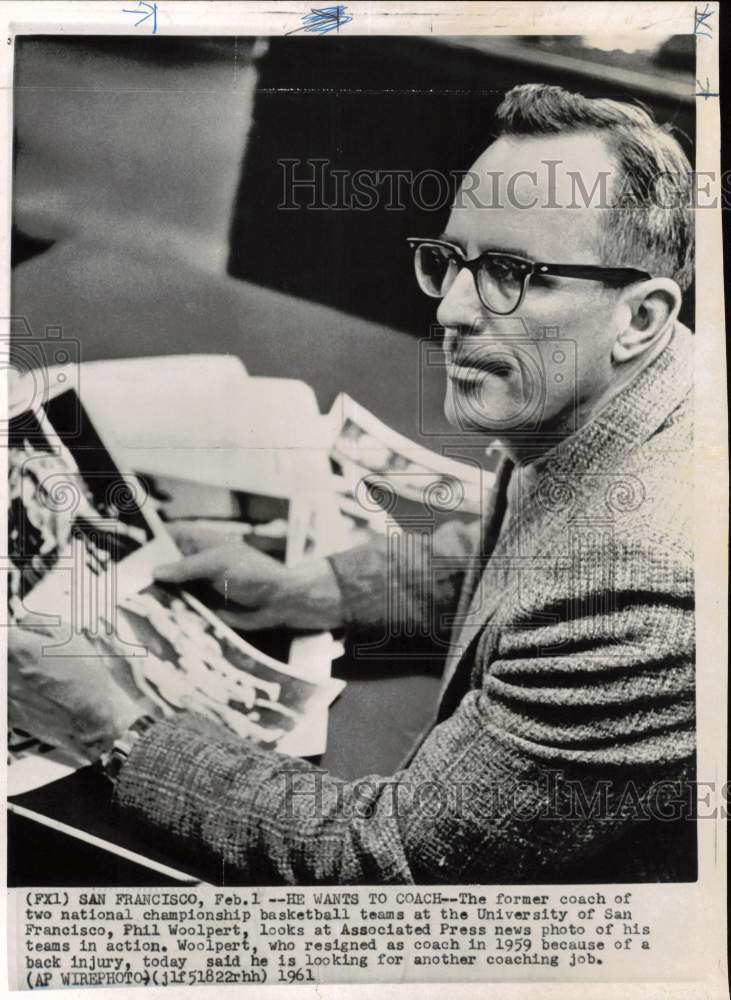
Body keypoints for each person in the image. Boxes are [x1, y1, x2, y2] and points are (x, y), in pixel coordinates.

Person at [8, 84, 696, 883]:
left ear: (642, 316)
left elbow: (391, 859)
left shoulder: (641, 586)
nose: (453, 310)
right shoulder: (628, 383)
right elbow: (522, 547)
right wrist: (323, 586)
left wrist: (111, 726)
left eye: (511, 272)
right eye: (452, 261)